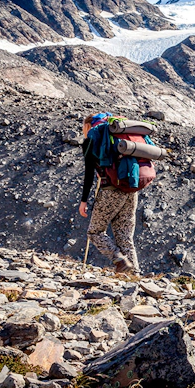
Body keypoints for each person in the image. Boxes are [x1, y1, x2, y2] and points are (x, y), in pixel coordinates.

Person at [78, 112, 139, 274]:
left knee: (95, 231)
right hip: (131, 189)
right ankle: (135, 277)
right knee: (125, 237)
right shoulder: (119, 139)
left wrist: (84, 201)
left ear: (87, 126)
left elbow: (89, 174)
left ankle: (120, 260)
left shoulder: (91, 139)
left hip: (111, 191)